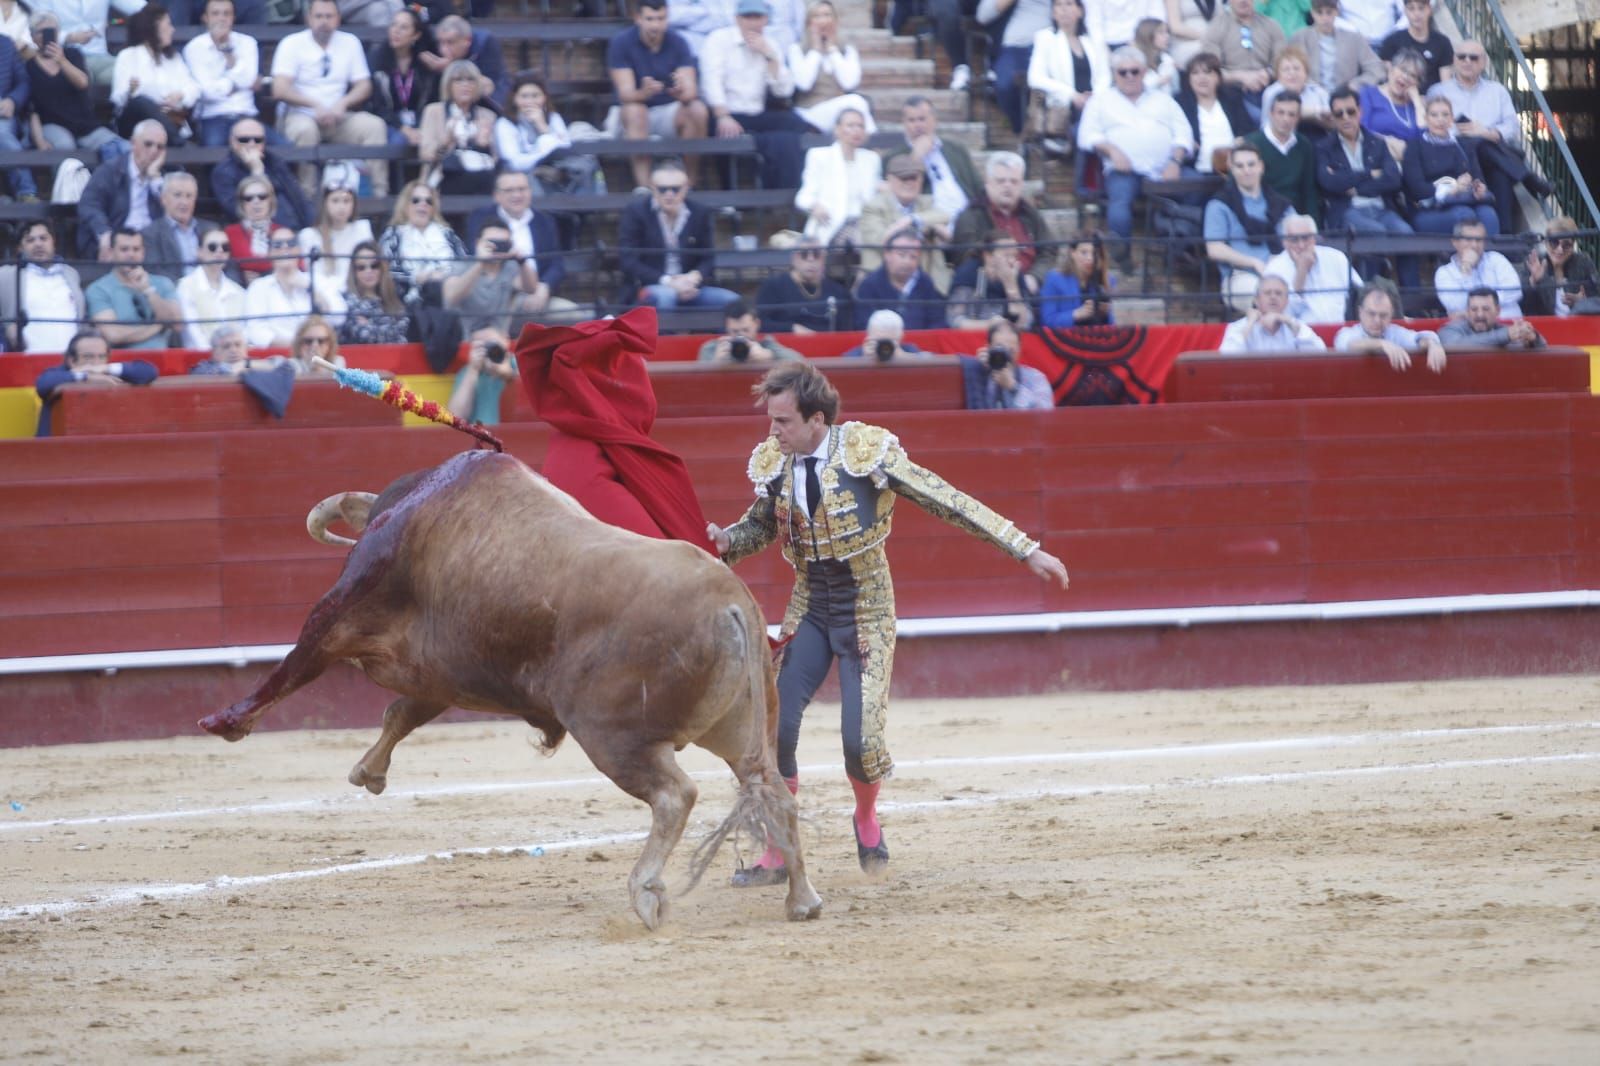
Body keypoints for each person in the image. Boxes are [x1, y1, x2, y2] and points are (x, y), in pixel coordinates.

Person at [706, 362, 1069, 883]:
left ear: (815, 419)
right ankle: (779, 850)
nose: (773, 431)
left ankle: (866, 816)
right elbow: (762, 526)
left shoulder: (864, 454)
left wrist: (1024, 548)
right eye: (771, 421)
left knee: (861, 742)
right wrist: (727, 542)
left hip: (866, 612)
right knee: (775, 730)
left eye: (782, 421)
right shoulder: (776, 464)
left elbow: (942, 497)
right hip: (809, 607)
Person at [1075, 47, 1194, 269]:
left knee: (1202, 189)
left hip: (1165, 169)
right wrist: (1111, 150)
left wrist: (1175, 161)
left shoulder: (1164, 100)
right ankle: (1122, 256)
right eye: (1123, 72)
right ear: (1114, 73)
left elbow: (1184, 134)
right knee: (1119, 204)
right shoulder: (1100, 101)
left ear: (1144, 72)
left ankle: (1182, 248)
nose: (1129, 76)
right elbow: (1086, 136)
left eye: (1134, 71)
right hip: (1124, 171)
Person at [1428, 40, 1555, 234]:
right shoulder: (1438, 91)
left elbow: (1511, 126)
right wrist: (1466, 133)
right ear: (1454, 60)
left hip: (1491, 157)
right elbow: (1431, 127)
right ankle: (1529, 180)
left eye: (1473, 57)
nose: (1467, 61)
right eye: (1462, 57)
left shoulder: (1497, 91)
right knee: (1477, 144)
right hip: (1455, 154)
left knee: (1495, 165)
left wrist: (1486, 132)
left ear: (1483, 62)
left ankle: (1503, 235)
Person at [270, 0, 389, 202]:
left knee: (374, 126)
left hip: (338, 115)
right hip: (300, 115)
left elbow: (364, 85)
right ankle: (307, 197)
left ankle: (379, 196)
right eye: (319, 16)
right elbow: (279, 89)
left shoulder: (350, 42)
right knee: (305, 130)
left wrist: (342, 104)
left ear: (338, 19)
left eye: (329, 16)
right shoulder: (292, 43)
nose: (324, 21)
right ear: (309, 19)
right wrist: (315, 105)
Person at [700, 0, 812, 190]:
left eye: (758, 17)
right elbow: (711, 80)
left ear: (766, 20)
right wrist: (722, 115)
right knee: (723, 132)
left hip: (757, 112)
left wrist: (769, 55)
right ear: (737, 19)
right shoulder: (718, 39)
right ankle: (729, 197)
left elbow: (783, 90)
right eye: (747, 17)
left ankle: (788, 189)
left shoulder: (770, 44)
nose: (753, 22)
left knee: (796, 126)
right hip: (727, 112)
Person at [1317, 86, 1418, 291]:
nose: (1346, 117)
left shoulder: (1377, 143)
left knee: (1407, 234)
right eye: (1339, 113)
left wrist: (1354, 186)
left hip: (1381, 209)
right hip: (1347, 212)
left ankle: (1413, 300)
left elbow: (1393, 179)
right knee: (1375, 233)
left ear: (1360, 112)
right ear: (1333, 118)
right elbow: (1328, 183)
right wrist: (1369, 174)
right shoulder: (1324, 147)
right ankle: (1369, 295)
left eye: (1351, 111)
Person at [607, 0, 707, 191]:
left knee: (697, 109)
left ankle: (688, 183)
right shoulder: (621, 42)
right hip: (629, 116)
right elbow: (625, 94)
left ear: (667, 17)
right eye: (650, 19)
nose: (655, 25)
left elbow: (691, 91)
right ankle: (644, 186)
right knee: (636, 110)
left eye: (660, 19)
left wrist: (681, 92)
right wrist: (643, 93)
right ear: (638, 18)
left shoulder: (678, 41)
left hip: (668, 111)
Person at [617, 158, 741, 312]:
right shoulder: (636, 212)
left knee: (732, 301)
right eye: (663, 189)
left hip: (691, 287)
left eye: (675, 189)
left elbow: (708, 257)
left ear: (686, 188)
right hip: (651, 286)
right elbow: (628, 261)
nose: (669, 194)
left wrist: (694, 277)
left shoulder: (699, 212)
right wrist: (669, 281)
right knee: (666, 297)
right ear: (652, 188)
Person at [1203, 142, 1294, 311]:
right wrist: (1253, 263)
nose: (1246, 170)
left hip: (1282, 272)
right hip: (1240, 276)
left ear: (1261, 167)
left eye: (1251, 164)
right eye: (1240, 166)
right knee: (1269, 299)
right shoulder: (1219, 205)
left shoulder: (1280, 203)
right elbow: (1214, 249)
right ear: (1232, 169)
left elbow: (1298, 238)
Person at [25, 11, 127, 161]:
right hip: (52, 126)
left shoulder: (72, 54)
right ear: (33, 37)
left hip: (84, 125)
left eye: (52, 31)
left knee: (120, 147)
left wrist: (62, 61)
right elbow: (31, 110)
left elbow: (83, 83)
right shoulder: (29, 67)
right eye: (42, 32)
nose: (48, 36)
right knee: (65, 147)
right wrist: (39, 140)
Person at [444, 221, 577, 334]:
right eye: (491, 242)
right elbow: (451, 297)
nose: (496, 247)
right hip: (466, 337)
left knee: (572, 311)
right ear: (478, 242)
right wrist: (480, 263)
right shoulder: (462, 265)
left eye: (502, 243)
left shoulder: (510, 266)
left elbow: (530, 288)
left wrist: (522, 262)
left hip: (499, 337)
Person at [464, 170, 571, 301]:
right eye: (509, 190)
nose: (517, 195)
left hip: (537, 295)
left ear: (530, 191)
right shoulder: (480, 217)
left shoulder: (544, 221)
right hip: (493, 296)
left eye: (522, 189)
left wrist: (545, 286)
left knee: (573, 312)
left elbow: (556, 263)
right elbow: (474, 253)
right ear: (496, 195)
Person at [1401, 96, 1499, 236]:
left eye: (1445, 114)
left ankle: (1489, 257)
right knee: (1466, 216)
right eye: (1434, 115)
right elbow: (1417, 189)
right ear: (1426, 119)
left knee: (1488, 214)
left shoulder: (1463, 145)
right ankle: (1463, 257)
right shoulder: (1415, 147)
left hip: (1464, 201)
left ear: (1452, 119)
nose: (1440, 119)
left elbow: (1478, 177)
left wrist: (1478, 186)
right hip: (1429, 209)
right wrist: (1451, 189)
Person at [952, 150, 1056, 281]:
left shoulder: (1030, 214)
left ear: (1021, 185)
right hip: (990, 290)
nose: (1008, 186)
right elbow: (965, 257)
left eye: (1014, 181)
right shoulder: (971, 216)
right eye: (1001, 181)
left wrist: (1035, 278)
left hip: (1031, 288)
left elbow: (1049, 250)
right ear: (987, 183)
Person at [1026, 0, 1111, 157]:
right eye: (1058, 5)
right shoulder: (1045, 38)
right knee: (1086, 130)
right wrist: (1072, 95)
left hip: (1094, 103)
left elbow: (1105, 75)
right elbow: (1035, 77)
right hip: (1064, 106)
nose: (1064, 9)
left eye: (1069, 4)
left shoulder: (1092, 39)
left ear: (1080, 11)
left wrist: (1094, 98)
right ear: (1053, 12)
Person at [858, 153, 954, 291]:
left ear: (921, 180)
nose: (909, 183)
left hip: (928, 281)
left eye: (914, 178)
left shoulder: (927, 202)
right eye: (903, 178)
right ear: (890, 180)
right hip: (885, 283)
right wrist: (912, 224)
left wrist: (911, 219)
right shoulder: (873, 206)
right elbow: (881, 241)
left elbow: (945, 217)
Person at [34, 331, 158, 437]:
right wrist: (85, 376)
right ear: (72, 360)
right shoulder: (60, 374)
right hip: (56, 453)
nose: (96, 363)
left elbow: (149, 372)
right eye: (88, 357)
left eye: (101, 356)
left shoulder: (109, 371)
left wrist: (106, 369)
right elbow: (43, 384)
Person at [495, 72, 600, 197]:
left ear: (544, 98)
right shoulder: (505, 124)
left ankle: (585, 207)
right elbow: (514, 162)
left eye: (535, 96)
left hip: (559, 171)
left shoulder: (553, 118)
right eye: (524, 96)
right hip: (525, 175)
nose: (530, 101)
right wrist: (541, 157)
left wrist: (542, 127)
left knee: (586, 165)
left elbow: (565, 149)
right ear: (515, 99)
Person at [77, 119, 168, 261]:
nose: (153, 151)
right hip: (119, 240)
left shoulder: (164, 177)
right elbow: (88, 204)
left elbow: (172, 213)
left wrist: (155, 179)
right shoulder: (111, 170)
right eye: (148, 144)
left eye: (160, 147)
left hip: (151, 246)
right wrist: (104, 232)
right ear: (133, 143)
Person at [182, 0, 268, 147]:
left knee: (283, 147)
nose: (221, 18)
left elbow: (249, 79)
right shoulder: (194, 48)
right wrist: (234, 83)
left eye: (226, 14)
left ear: (233, 17)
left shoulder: (247, 43)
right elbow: (208, 92)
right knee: (214, 147)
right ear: (205, 18)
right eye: (215, 14)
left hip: (247, 114)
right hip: (213, 117)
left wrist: (226, 51)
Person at [883, 96, 983, 220]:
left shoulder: (955, 148)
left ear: (934, 120)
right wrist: (916, 157)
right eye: (912, 120)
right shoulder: (894, 156)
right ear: (904, 124)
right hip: (926, 219)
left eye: (922, 119)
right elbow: (897, 195)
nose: (918, 125)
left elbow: (978, 186)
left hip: (967, 217)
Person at [244, 227, 347, 347]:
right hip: (277, 356)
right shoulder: (258, 287)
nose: (284, 248)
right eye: (277, 245)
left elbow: (339, 318)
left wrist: (310, 289)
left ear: (298, 250)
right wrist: (298, 346)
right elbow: (257, 332)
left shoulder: (317, 280)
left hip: (317, 353)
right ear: (269, 252)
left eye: (291, 243)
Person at [110, 4, 198, 144]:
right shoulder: (128, 56)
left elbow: (193, 88)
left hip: (171, 117)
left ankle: (176, 141)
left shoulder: (173, 58)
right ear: (154, 28)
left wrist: (180, 95)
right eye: (168, 25)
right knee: (141, 102)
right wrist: (130, 90)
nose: (172, 30)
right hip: (135, 122)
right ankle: (179, 143)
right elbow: (118, 99)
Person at [794, 107, 880, 247]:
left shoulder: (871, 159)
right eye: (851, 125)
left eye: (861, 126)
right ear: (837, 129)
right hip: (833, 224)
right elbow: (803, 197)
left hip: (864, 224)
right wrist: (815, 206)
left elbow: (873, 192)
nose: (857, 130)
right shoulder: (819, 156)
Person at [211, 117, 315, 231]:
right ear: (232, 142)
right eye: (244, 140)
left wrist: (310, 227)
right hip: (259, 234)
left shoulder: (274, 161)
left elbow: (297, 196)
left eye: (258, 140)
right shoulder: (223, 172)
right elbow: (237, 212)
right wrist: (257, 172)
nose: (251, 144)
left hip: (296, 230)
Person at [87, 228, 183, 350]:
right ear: (111, 252)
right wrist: (159, 325)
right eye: (124, 249)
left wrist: (148, 290)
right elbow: (113, 335)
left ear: (143, 253)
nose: (131, 254)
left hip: (162, 360)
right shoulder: (98, 289)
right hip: (123, 362)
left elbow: (176, 324)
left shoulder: (163, 283)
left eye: (136, 249)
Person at [789, 0, 874, 134]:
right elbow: (804, 84)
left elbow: (850, 84)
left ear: (835, 20)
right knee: (856, 102)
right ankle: (871, 144)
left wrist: (832, 49)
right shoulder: (797, 49)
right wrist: (816, 49)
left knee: (855, 105)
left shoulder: (846, 49)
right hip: (809, 111)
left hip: (840, 109)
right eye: (817, 16)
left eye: (827, 15)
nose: (823, 21)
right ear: (809, 22)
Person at [377, 179, 468, 303]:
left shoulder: (448, 234)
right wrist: (417, 278)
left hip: (447, 296)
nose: (423, 204)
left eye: (428, 201)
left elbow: (464, 264)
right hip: (406, 299)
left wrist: (443, 276)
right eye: (416, 200)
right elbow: (386, 271)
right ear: (405, 205)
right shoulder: (393, 235)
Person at [0, 221, 85, 353]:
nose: (38, 244)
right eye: (30, 240)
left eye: (43, 238)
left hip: (70, 360)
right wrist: (7, 326)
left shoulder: (71, 273)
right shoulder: (7, 275)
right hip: (29, 358)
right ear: (20, 248)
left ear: (53, 242)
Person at [1262, 213, 1360, 323]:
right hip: (1298, 336)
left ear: (1314, 238)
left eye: (1305, 238)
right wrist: (1301, 271)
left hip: (1340, 331)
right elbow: (1282, 313)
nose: (1301, 245)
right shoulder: (1274, 269)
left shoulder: (1336, 258)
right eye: (1294, 240)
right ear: (1284, 242)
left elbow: (1360, 293)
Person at [418, 58, 497, 195]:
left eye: (470, 80)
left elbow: (496, 159)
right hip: (443, 178)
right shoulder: (434, 111)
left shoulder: (488, 115)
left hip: (479, 178)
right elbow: (426, 154)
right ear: (448, 85)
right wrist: (445, 143)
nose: (465, 85)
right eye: (458, 80)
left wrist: (483, 146)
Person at [366, 7, 438, 156]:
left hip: (422, 122)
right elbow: (378, 107)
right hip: (390, 123)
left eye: (403, 27)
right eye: (394, 25)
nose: (396, 31)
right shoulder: (377, 60)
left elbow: (432, 101)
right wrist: (404, 129)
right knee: (398, 141)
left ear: (416, 35)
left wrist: (420, 128)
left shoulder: (425, 64)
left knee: (432, 139)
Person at [1333, 280, 1445, 371]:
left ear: (1391, 314)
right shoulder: (1347, 333)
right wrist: (1382, 344)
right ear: (1360, 312)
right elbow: (1349, 344)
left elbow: (1418, 338)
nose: (1377, 320)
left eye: (1383, 315)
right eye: (1371, 314)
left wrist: (1431, 344)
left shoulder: (1395, 332)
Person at [975, 0, 1052, 133]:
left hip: (1052, 44)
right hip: (1016, 46)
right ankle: (1023, 132)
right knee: (1004, 86)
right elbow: (982, 15)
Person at [1204, 0, 1287, 118]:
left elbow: (1283, 62)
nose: (1243, 1)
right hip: (1232, 91)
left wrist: (1267, 73)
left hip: (1268, 87)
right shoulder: (1216, 27)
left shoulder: (1272, 25)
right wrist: (1240, 76)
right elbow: (1210, 69)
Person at [853, 228, 947, 330]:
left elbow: (937, 322)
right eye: (901, 255)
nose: (907, 262)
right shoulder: (869, 285)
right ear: (887, 255)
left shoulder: (925, 283)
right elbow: (863, 324)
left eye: (913, 257)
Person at [755, 235, 853, 333]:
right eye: (804, 254)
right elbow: (761, 323)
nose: (810, 259)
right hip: (787, 343)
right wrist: (791, 328)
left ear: (823, 259)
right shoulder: (773, 286)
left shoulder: (838, 291)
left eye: (816, 254)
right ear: (794, 259)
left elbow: (848, 328)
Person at [1176, 50, 1252, 175]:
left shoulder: (1232, 99)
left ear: (1218, 77)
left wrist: (1241, 140)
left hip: (1232, 170)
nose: (1202, 78)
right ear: (1189, 79)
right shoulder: (1180, 104)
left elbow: (1248, 131)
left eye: (1208, 72)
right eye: (1195, 73)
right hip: (1195, 169)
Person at [1245, 92, 1319, 217]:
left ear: (1298, 118)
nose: (1286, 119)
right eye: (1281, 113)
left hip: (1295, 216)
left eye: (1292, 114)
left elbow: (1309, 190)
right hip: (1262, 214)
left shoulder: (1304, 145)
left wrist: (1313, 224)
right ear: (1271, 113)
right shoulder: (1252, 143)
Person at [948, 233, 1040, 331]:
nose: (1012, 261)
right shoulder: (967, 275)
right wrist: (989, 325)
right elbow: (954, 320)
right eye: (1006, 255)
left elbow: (1026, 323)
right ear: (988, 256)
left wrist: (1011, 286)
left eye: (1014, 255)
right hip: (973, 338)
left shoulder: (1017, 275)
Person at [1290, 0, 1383, 96]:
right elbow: (1290, 70)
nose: (1325, 18)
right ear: (1312, 13)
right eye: (1319, 12)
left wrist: (1355, 85)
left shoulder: (1354, 38)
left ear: (1336, 12)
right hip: (1308, 95)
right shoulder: (1299, 38)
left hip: (1346, 96)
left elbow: (1376, 68)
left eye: (1329, 12)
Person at [1433, 218, 1520, 318]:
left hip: (1510, 325)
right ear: (1455, 242)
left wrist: (1477, 306)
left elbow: (1515, 292)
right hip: (1472, 331)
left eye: (1479, 240)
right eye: (1468, 239)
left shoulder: (1496, 259)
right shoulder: (1444, 272)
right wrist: (1466, 270)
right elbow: (1456, 305)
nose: (1474, 245)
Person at [46, 0, 146, 86]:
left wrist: (157, 17)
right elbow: (37, 30)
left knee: (133, 76)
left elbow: (140, 8)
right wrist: (68, 37)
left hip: (100, 57)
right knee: (79, 81)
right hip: (64, 58)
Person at [176, 227, 247, 348]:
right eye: (212, 247)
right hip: (199, 360)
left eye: (225, 247)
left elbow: (244, 331)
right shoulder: (185, 287)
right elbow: (192, 334)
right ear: (199, 252)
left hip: (235, 358)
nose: (219, 251)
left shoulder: (238, 291)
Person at [1218, 272, 1325, 349]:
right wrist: (1249, 324)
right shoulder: (1239, 327)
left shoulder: (1296, 325)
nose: (1273, 297)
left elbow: (1320, 355)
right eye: (1267, 293)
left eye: (1278, 293)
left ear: (1287, 301)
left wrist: (1289, 323)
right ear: (1256, 300)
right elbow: (1225, 358)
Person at [141, 172, 217, 281]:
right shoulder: (150, 234)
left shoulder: (211, 229)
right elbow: (155, 272)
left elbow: (229, 267)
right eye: (178, 195)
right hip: (174, 293)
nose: (184, 202)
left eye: (189, 196)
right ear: (163, 199)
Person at [299, 181, 373, 292]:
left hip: (357, 292)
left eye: (346, 201)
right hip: (325, 293)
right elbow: (311, 274)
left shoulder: (362, 229)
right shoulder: (309, 235)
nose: (341, 206)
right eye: (335, 201)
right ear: (325, 204)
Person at [422, 14, 509, 108]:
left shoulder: (484, 43)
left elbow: (490, 85)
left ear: (467, 41)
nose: (443, 49)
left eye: (450, 42)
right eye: (441, 42)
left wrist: (451, 67)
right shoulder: (435, 50)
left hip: (485, 105)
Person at [966, 319, 1055, 409]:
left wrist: (1013, 387)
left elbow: (1046, 413)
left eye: (1010, 350)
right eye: (999, 348)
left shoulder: (1034, 377)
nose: (1004, 354)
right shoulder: (977, 371)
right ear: (988, 347)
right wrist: (978, 369)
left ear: (1019, 348)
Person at [1521, 217, 1598, 318]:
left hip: (1580, 325)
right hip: (1546, 328)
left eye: (1566, 245)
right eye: (1554, 242)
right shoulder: (1535, 262)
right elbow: (1524, 306)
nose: (1560, 250)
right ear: (1546, 242)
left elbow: (1597, 298)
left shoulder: (1583, 262)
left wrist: (1583, 303)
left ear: (1573, 245)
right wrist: (1533, 282)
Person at [338, 241, 411, 344]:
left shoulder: (395, 299)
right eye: (361, 267)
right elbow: (363, 334)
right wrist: (388, 330)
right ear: (354, 272)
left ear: (382, 268)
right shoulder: (346, 301)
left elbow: (402, 332)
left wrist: (368, 325)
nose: (368, 271)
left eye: (374, 266)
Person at [1359, 48, 1424, 160]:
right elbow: (1361, 129)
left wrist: (1417, 102)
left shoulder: (1415, 106)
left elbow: (1424, 139)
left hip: (1408, 164)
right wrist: (1388, 142)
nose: (1405, 77)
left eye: (1413, 75)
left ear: (1417, 83)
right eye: (1403, 70)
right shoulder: (1369, 94)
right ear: (1391, 70)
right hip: (1374, 157)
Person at [1040, 232, 1114, 327]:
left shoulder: (1109, 280)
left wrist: (1106, 314)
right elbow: (1047, 320)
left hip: (1099, 338)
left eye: (1095, 254)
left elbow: (1115, 325)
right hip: (1064, 339)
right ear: (1072, 253)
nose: (1090, 259)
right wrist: (1077, 314)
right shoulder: (1054, 278)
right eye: (1084, 253)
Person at [1435, 287, 1546, 349]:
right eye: (1474, 309)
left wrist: (1532, 338)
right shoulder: (1449, 330)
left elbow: (1543, 348)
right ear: (1467, 311)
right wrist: (1506, 335)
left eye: (1486, 309)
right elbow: (1454, 345)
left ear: (1497, 311)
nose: (1480, 315)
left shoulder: (1507, 331)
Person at [1261, 47, 1334, 140]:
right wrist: (1317, 112)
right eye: (1286, 69)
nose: (1292, 73)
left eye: (1296, 68)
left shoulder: (1318, 92)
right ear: (1278, 76)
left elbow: (1332, 122)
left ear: (1306, 73)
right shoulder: (1272, 92)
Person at [447, 327, 516, 424]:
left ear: (506, 340)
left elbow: (527, 402)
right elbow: (454, 418)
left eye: (492, 343)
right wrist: (473, 370)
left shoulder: (516, 363)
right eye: (481, 345)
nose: (488, 350)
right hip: (481, 436)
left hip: (514, 435)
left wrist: (507, 374)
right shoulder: (467, 372)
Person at [696, 300, 801, 363]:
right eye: (735, 331)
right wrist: (715, 363)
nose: (741, 335)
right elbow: (697, 381)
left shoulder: (767, 346)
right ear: (727, 327)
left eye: (746, 330)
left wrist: (769, 355)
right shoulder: (713, 348)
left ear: (757, 324)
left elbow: (800, 362)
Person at [1377, 0, 1449, 92]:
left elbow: (1446, 84)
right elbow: (1389, 78)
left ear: (1429, 9)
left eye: (1421, 8)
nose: (1417, 14)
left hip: (1432, 99)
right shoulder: (1392, 41)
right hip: (1400, 97)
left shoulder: (1442, 43)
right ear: (1405, 11)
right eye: (1411, 9)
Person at [224, 174, 283, 282]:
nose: (256, 202)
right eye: (248, 198)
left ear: (271, 200)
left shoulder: (282, 233)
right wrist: (241, 275)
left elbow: (299, 266)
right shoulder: (229, 233)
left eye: (262, 196)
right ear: (242, 204)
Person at [187, 324, 287, 374]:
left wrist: (245, 364)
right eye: (226, 346)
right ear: (214, 352)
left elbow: (284, 364)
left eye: (238, 345)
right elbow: (224, 372)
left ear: (246, 348)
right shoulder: (202, 368)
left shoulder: (251, 362)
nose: (233, 350)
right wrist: (238, 367)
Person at [841, 308, 925, 359]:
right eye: (878, 341)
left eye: (888, 342)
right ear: (868, 337)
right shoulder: (856, 355)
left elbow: (933, 362)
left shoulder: (908, 350)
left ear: (901, 338)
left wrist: (904, 357)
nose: (884, 347)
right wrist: (863, 360)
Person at [1166, 0, 1221, 68]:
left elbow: (1221, 20)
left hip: (1214, 41)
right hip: (1187, 43)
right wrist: (1205, 37)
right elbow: (1175, 27)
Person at [1132, 17, 1178, 95]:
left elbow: (1176, 89)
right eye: (1161, 32)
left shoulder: (1167, 60)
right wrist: (1158, 82)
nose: (1167, 36)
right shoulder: (1134, 61)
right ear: (1147, 35)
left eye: (1167, 32)